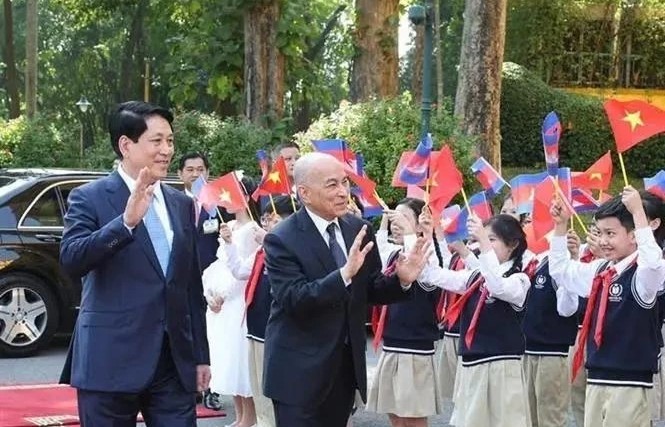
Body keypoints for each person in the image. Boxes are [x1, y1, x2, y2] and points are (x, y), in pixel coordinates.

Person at [59, 101, 210, 426]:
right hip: (109, 360)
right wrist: (125, 223)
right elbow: (72, 258)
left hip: (173, 364)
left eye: (170, 141)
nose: (167, 150)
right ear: (126, 145)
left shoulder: (181, 203)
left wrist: (200, 356)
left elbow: (189, 287)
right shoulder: (89, 197)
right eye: (157, 141)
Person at [262, 152, 430, 427]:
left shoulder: (358, 228)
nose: (343, 193)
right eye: (332, 185)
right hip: (298, 373)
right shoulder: (282, 238)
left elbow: (370, 289)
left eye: (344, 183)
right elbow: (295, 299)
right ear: (304, 193)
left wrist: (401, 280)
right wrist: (344, 274)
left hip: (343, 370)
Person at [549, 187, 665, 427]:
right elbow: (560, 271)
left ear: (633, 235)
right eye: (600, 232)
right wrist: (559, 228)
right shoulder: (601, 271)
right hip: (597, 377)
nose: (603, 241)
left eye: (610, 233)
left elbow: (652, 264)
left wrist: (638, 214)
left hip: (630, 383)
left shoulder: (644, 276)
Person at [419, 214, 534, 427]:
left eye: (492, 239)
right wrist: (427, 235)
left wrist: (482, 241)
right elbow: (433, 275)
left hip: (501, 368)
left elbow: (497, 286)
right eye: (484, 238)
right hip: (472, 366)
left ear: (513, 244)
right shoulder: (475, 276)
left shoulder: (520, 279)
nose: (484, 244)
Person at [366, 199, 444, 427]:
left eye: (404, 218)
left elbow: (426, 274)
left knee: (412, 416)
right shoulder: (394, 254)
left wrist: (412, 234)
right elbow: (378, 249)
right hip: (392, 343)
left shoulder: (431, 254)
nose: (396, 224)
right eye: (394, 218)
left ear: (420, 224)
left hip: (415, 347)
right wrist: (383, 224)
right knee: (395, 415)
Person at [204, 176, 260, 427]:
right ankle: (239, 416)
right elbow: (219, 265)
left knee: (241, 359)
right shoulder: (230, 226)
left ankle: (250, 417)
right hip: (223, 302)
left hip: (239, 300)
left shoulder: (252, 230)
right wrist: (210, 293)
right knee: (227, 357)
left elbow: (244, 271)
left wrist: (223, 294)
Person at [177, 152, 233, 272]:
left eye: (200, 170)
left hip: (213, 272)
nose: (195, 174)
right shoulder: (172, 203)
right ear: (180, 174)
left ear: (207, 173)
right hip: (182, 272)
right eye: (190, 170)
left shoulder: (220, 203)